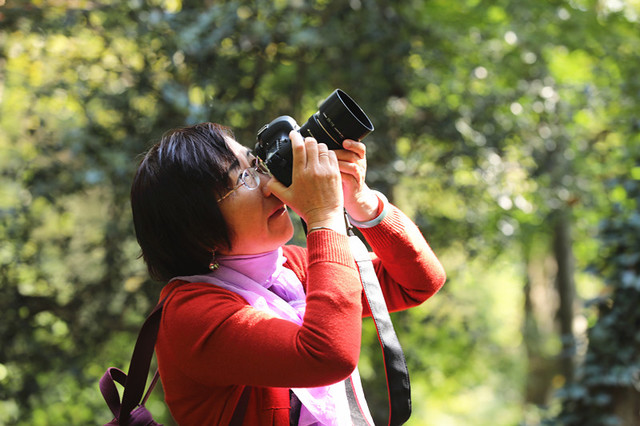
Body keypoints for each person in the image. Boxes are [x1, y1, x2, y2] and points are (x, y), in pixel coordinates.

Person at [130, 121, 446, 425]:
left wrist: (360, 199)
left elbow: (416, 283)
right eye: (243, 179)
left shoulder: (287, 270)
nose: (270, 184)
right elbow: (325, 356)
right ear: (199, 231)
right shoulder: (192, 316)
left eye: (257, 165)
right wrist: (324, 216)